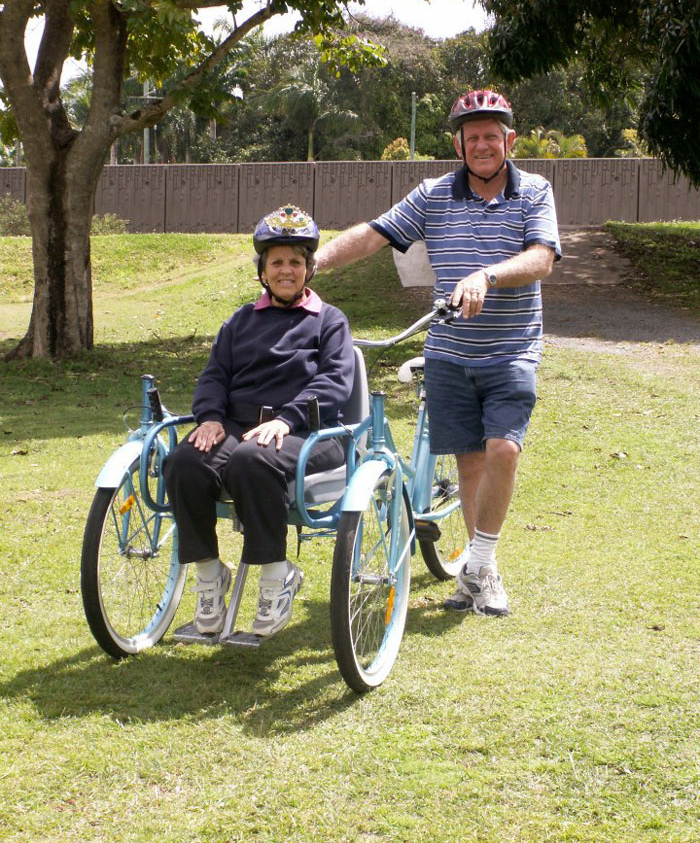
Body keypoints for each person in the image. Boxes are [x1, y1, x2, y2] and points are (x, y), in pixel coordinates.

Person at [316, 90, 561, 617]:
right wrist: (312, 263)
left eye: (491, 136)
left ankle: (482, 561)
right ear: (458, 144)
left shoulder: (534, 192)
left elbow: (541, 258)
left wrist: (486, 275)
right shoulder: (433, 194)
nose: (482, 145)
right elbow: (373, 236)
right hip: (449, 352)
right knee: (470, 461)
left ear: (509, 141)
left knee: (503, 451)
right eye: (471, 137)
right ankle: (481, 573)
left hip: (512, 349)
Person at [164, 206, 355, 637]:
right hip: (238, 426)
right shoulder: (240, 321)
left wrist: (287, 419)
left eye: (295, 262)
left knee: (252, 459)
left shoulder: (329, 321)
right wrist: (210, 418)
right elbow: (215, 375)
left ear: (309, 268)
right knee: (185, 462)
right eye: (276, 262)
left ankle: (276, 575)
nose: (286, 270)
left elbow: (335, 382)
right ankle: (211, 575)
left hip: (310, 430)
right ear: (262, 271)